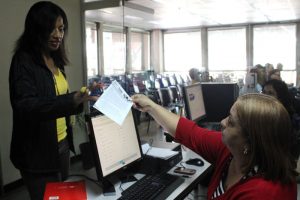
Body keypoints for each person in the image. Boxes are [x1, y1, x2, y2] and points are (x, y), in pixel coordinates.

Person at [131, 93, 297, 199]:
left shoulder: (263, 194)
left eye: (231, 122)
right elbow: (189, 132)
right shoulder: (233, 152)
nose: (222, 122)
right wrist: (150, 106)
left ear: (250, 141)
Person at [9, 2, 97, 199]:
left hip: (62, 144)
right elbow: (26, 106)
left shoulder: (55, 60)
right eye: (52, 29)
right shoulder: (23, 61)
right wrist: (70, 100)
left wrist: (78, 98)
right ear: (37, 29)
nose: (58, 35)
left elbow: (55, 99)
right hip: (37, 152)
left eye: (61, 28)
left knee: (61, 195)